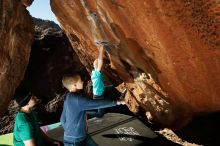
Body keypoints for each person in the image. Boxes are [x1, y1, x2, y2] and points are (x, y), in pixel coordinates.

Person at [61, 74, 125, 146]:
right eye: (80, 81)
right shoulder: (77, 100)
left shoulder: (68, 97)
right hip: (74, 142)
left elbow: (62, 119)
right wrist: (117, 102)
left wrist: (70, 131)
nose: (82, 82)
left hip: (77, 137)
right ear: (74, 85)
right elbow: (96, 103)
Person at [89, 43, 127, 118]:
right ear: (96, 66)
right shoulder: (96, 74)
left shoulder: (95, 73)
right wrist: (101, 49)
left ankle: (121, 94)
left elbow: (98, 63)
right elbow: (100, 61)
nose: (100, 66)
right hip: (98, 97)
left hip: (101, 91)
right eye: (97, 64)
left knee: (113, 87)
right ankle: (85, 114)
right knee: (100, 114)